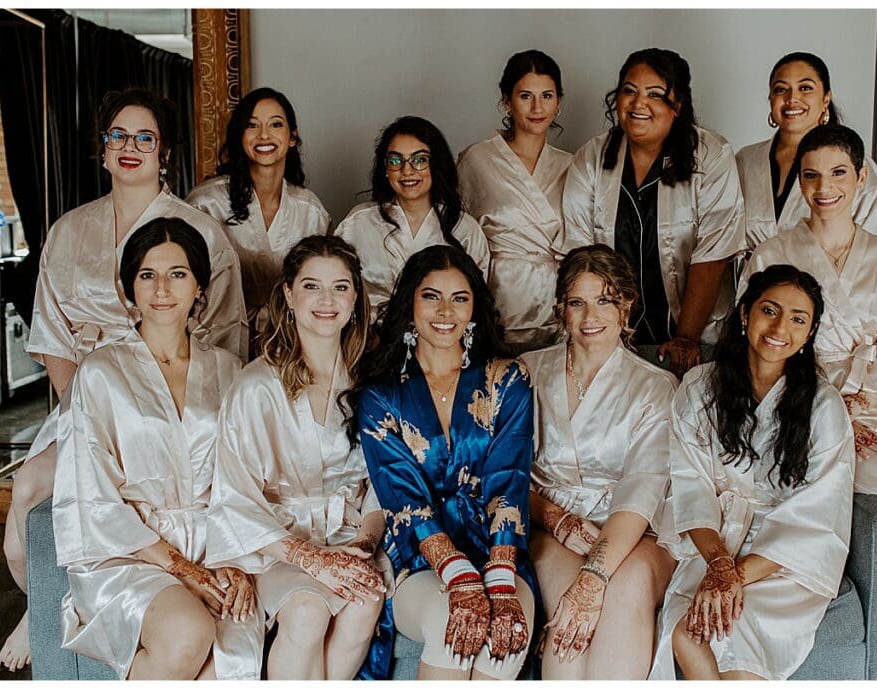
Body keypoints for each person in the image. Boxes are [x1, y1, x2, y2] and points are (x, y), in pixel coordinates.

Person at [0, 87, 246, 672]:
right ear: (102, 150)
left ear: (165, 154)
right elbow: (54, 336)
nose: (130, 147)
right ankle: (44, 605)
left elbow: (227, 340)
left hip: (177, 406)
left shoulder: (201, 232)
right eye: (118, 136)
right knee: (29, 491)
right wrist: (89, 410)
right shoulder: (68, 231)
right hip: (93, 400)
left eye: (145, 138)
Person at [742, 124, 877, 615]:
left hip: (876, 412)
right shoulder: (771, 256)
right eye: (812, 175)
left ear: (862, 178)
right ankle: (822, 593)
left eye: (839, 173)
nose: (825, 189)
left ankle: (849, 616)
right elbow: (760, 350)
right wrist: (829, 406)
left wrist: (860, 403)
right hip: (800, 412)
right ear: (799, 181)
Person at [51, 218, 262, 680]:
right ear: (130, 288)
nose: (162, 288)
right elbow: (92, 490)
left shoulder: (230, 372)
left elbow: (246, 481)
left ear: (200, 286)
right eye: (148, 275)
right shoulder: (100, 373)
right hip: (127, 552)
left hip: (215, 548)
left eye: (178, 274)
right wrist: (182, 568)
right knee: (188, 632)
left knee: (227, 657)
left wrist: (236, 562)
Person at [651, 264, 855, 681]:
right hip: (715, 543)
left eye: (799, 319)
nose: (781, 326)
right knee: (687, 632)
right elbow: (690, 487)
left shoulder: (824, 406)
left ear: (810, 333)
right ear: (745, 315)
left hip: (784, 559)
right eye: (770, 310)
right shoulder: (698, 387)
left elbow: (819, 514)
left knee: (738, 646)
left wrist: (736, 576)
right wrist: (720, 567)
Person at [206, 235, 389, 679]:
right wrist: (313, 559)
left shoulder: (374, 382)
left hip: (351, 536)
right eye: (312, 286)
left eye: (340, 287)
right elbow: (235, 500)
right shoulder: (255, 388)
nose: (327, 300)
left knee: (367, 600)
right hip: (278, 546)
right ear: (288, 293)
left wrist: (363, 545)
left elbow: (385, 482)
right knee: (307, 609)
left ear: (355, 298)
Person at [348, 245, 536, 680]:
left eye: (460, 297)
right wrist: (459, 576)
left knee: (503, 645)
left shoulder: (507, 380)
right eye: (431, 296)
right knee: (453, 626)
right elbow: (403, 498)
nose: (445, 310)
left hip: (498, 549)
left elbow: (509, 479)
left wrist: (500, 577)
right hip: (422, 556)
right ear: (409, 303)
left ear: (475, 308)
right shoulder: (381, 396)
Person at [520, 245, 677, 679]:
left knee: (622, 588)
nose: (590, 317)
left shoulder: (655, 387)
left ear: (627, 306)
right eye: (577, 302)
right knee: (571, 613)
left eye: (604, 300)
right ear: (560, 309)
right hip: (551, 528)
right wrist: (556, 520)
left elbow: (643, 488)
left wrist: (595, 575)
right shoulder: (525, 373)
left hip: (636, 530)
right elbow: (502, 476)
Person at [562, 48, 745, 379]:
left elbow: (713, 253)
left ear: (677, 105)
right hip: (611, 336)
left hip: (695, 337)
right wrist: (604, 330)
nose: (638, 104)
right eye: (629, 91)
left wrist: (686, 338)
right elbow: (580, 255)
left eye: (655, 95)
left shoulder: (711, 156)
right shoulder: (592, 157)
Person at [187, 87, 330, 342]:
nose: (264, 135)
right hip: (215, 336)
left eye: (276, 124)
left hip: (291, 339)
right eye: (252, 126)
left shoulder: (311, 210)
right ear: (240, 136)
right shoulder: (206, 203)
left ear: (293, 137)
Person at [457, 49, 572, 352]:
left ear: (558, 102)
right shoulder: (477, 160)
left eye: (547, 96)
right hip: (498, 299)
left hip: (557, 302)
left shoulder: (574, 165)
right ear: (507, 102)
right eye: (525, 96)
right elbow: (459, 236)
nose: (537, 107)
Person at [334, 116, 490, 323]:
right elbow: (334, 290)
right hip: (371, 345)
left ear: (436, 164)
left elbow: (477, 303)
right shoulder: (357, 224)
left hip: (442, 341)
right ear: (385, 168)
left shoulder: (464, 228)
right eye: (396, 160)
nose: (407, 171)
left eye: (419, 160)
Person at [736, 51, 877, 251]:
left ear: (826, 98)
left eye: (805, 88)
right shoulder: (745, 161)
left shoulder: (856, 166)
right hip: (751, 280)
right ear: (770, 99)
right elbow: (724, 237)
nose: (792, 98)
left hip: (831, 280)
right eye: (780, 90)